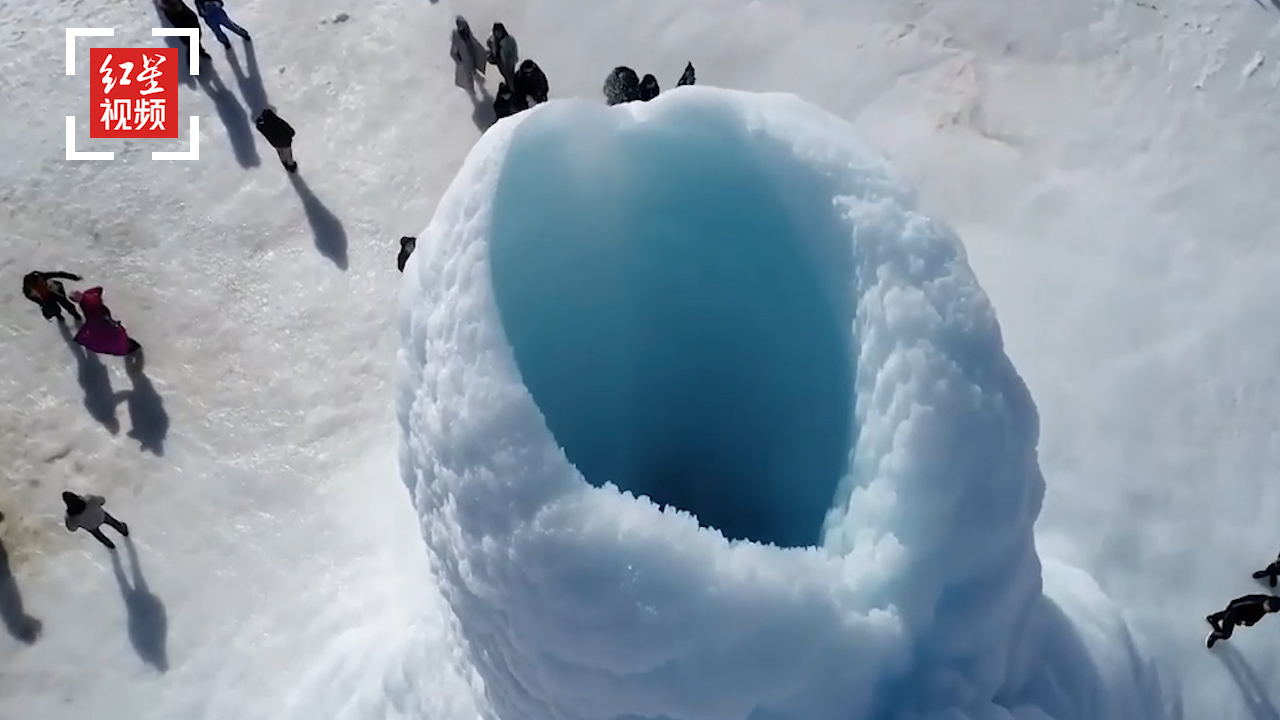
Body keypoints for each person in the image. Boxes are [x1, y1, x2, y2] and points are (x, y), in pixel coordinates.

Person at [70, 287, 143, 357]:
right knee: (116, 332)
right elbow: (99, 290)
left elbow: (91, 317)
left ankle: (131, 347)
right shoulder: (88, 297)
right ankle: (132, 345)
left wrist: (81, 337)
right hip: (104, 316)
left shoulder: (85, 303)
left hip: (101, 319)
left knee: (114, 334)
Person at [1205, 593, 1280, 648]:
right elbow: (1237, 603)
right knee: (1226, 634)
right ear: (1268, 600)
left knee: (1226, 615)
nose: (1266, 608)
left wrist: (1250, 622)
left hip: (1239, 615)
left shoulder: (1264, 607)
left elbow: (1256, 616)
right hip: (1234, 613)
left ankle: (1213, 618)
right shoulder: (1255, 601)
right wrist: (1231, 612)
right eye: (1268, 605)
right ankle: (1215, 635)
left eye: (1269, 609)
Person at [62, 491, 130, 550]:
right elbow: (102, 500)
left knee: (99, 536)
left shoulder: (70, 517)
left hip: (91, 527)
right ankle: (123, 530)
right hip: (101, 516)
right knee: (112, 522)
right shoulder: (89, 499)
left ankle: (110, 545)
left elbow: (72, 529)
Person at [450, 16, 486, 97]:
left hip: (472, 55)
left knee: (474, 70)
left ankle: (480, 85)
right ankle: (472, 91)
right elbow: (453, 52)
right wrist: (459, 62)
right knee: (468, 76)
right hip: (465, 61)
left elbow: (474, 42)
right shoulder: (456, 36)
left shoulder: (467, 32)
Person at [254, 107, 297, 172]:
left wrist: (259, 123)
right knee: (288, 154)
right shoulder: (278, 122)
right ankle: (291, 166)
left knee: (280, 152)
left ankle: (284, 162)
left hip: (275, 143)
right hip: (285, 142)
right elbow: (290, 130)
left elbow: (259, 127)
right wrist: (290, 135)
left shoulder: (264, 126)